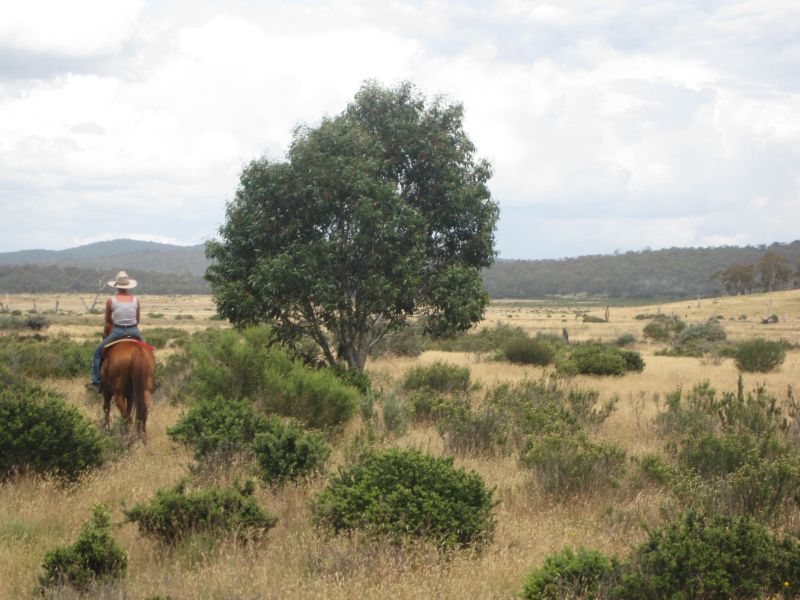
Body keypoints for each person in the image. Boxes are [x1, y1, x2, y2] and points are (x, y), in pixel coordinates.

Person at [86, 271, 144, 392]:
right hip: (134, 330)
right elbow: (137, 320)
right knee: (149, 351)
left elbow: (108, 321)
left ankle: (96, 382)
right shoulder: (135, 300)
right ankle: (152, 380)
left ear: (117, 286)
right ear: (128, 286)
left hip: (117, 331)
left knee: (97, 353)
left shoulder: (111, 300)